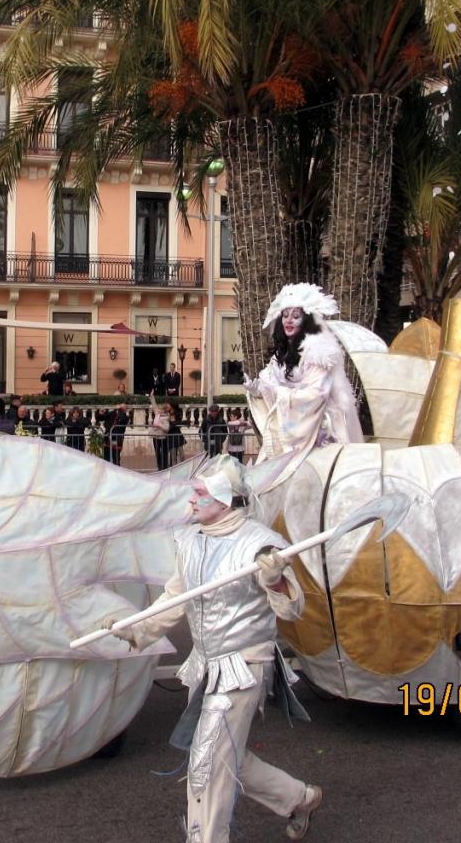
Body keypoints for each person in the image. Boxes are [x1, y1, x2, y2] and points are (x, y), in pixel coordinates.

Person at [102, 463, 322, 843]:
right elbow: (176, 597)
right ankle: (297, 797)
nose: (192, 499)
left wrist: (276, 581)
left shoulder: (261, 544)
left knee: (207, 759)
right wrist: (135, 628)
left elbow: (292, 610)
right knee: (219, 753)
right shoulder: (191, 541)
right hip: (204, 664)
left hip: (243, 664)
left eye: (200, 493)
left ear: (225, 500)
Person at [246, 283, 362, 491]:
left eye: (296, 315)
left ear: (306, 320)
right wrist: (258, 391)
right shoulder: (281, 354)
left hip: (316, 427)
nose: (289, 320)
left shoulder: (317, 353)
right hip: (290, 423)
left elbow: (317, 393)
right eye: (285, 315)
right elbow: (269, 381)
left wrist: (279, 393)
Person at [149, 400, 172, 471]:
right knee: (157, 453)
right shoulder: (157, 414)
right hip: (155, 436)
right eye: (158, 409)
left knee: (164, 453)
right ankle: (159, 467)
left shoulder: (166, 417)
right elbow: (154, 405)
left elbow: (167, 428)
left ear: (163, 410)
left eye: (160, 409)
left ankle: (164, 467)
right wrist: (151, 396)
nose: (158, 410)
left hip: (162, 437)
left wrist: (159, 425)